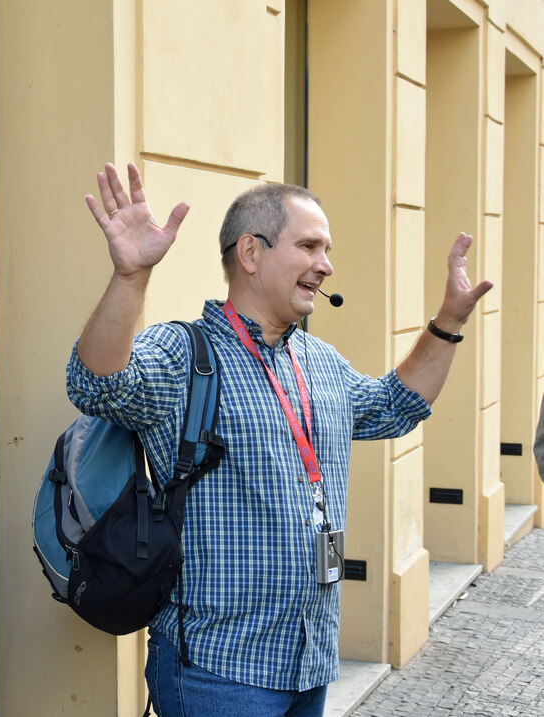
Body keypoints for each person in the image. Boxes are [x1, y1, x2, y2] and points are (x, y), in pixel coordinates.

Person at [67, 163, 493, 717]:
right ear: (251, 253)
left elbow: (395, 407)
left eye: (327, 249)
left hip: (310, 661)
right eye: (310, 246)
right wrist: (130, 278)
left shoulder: (319, 361)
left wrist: (448, 323)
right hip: (218, 670)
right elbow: (96, 386)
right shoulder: (183, 355)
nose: (326, 265)